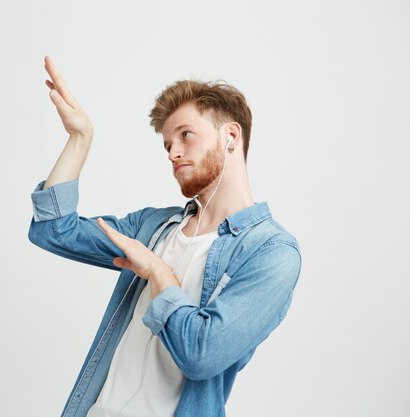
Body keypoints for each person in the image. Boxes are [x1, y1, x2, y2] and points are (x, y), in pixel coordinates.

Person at [28, 56, 302, 417]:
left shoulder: (272, 253)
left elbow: (202, 355)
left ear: (230, 135)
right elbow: (54, 230)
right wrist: (80, 139)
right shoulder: (153, 228)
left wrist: (159, 272)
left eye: (185, 135)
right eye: (167, 144)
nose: (173, 152)